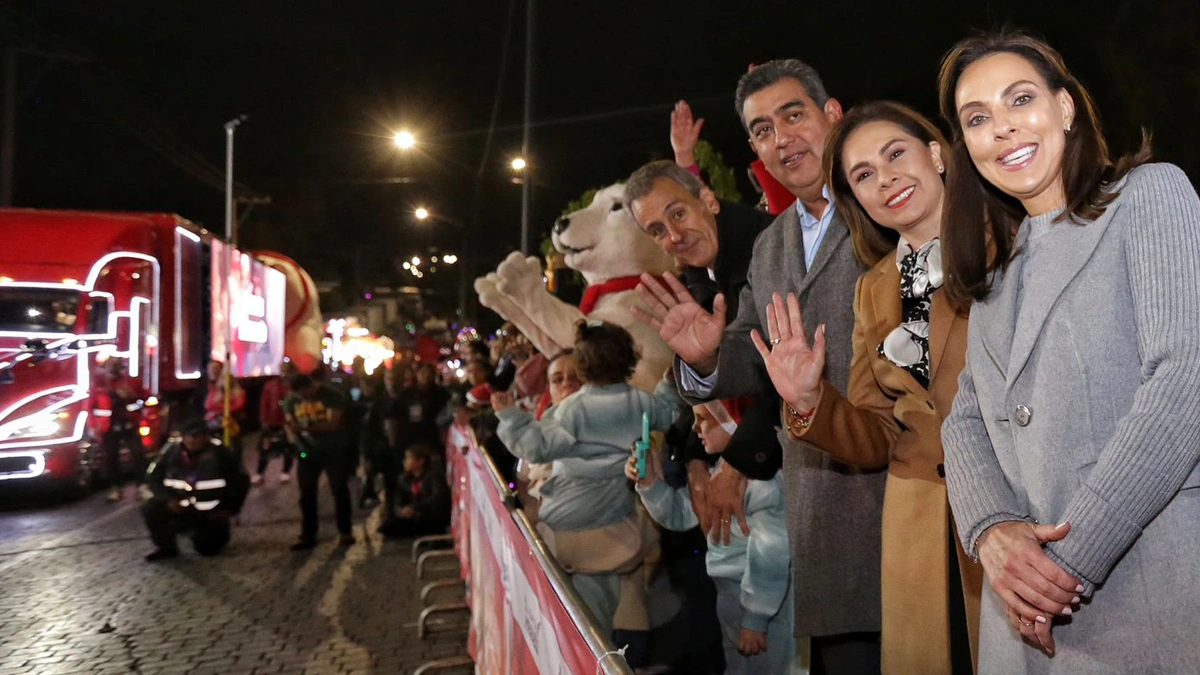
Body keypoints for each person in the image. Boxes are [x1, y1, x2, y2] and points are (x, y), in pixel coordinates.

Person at [937, 31, 1200, 672]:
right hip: (1024, 613)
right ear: (966, 148)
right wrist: (991, 531)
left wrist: (1065, 562)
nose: (1001, 128)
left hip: (1143, 588)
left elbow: (1184, 379)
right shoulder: (999, 272)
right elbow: (964, 419)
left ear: (1065, 108)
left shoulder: (1150, 196)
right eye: (978, 119)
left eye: (1019, 99)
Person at [635, 58, 885, 674]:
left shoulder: (888, 208)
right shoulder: (775, 242)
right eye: (763, 130)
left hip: (903, 502)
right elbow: (753, 347)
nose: (781, 138)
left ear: (833, 115)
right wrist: (706, 357)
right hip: (818, 514)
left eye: (793, 115)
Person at [753, 101, 985, 673]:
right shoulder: (876, 289)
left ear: (936, 154)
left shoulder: (1008, 244)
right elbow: (878, 431)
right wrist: (809, 401)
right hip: (918, 533)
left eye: (895, 154)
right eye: (862, 176)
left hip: (1012, 523)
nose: (885, 180)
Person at [492, 320, 683, 638]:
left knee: (570, 615)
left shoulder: (572, 410)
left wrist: (510, 418)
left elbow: (537, 447)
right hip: (614, 511)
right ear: (630, 360)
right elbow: (666, 411)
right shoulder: (640, 402)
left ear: (582, 367)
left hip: (569, 511)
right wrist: (668, 380)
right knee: (600, 610)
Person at [625, 159, 781, 544]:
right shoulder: (697, 276)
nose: (674, 235)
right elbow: (708, 386)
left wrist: (735, 464)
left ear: (708, 199)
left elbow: (788, 375)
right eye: (657, 230)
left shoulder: (771, 248)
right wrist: (695, 459)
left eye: (677, 213)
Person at [629, 402, 792, 675]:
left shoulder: (763, 485)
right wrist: (650, 485)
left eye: (705, 419)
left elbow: (771, 552)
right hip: (729, 596)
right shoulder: (716, 475)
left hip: (766, 607)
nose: (695, 429)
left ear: (735, 425)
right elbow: (681, 515)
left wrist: (756, 619)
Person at [142, 418, 250, 561]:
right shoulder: (171, 452)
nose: (199, 440)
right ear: (183, 437)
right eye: (194, 436)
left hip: (210, 512)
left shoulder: (219, 452)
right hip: (180, 505)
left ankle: (212, 533)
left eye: (203, 435)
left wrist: (229, 508)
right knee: (151, 508)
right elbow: (153, 478)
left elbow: (241, 480)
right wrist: (169, 499)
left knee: (207, 549)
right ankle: (166, 547)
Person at [282, 373, 355, 550]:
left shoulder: (332, 396)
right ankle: (308, 534)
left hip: (333, 450)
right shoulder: (291, 401)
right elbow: (290, 423)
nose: (301, 398)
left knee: (339, 489)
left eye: (302, 394)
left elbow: (333, 423)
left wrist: (304, 427)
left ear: (309, 386)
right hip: (307, 452)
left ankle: (345, 531)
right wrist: (294, 435)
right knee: (307, 494)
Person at [384, 444, 450, 538]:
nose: (405, 462)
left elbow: (438, 497)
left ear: (420, 461)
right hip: (413, 515)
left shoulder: (434, 475)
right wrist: (401, 510)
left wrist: (415, 508)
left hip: (430, 515)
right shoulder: (405, 479)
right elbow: (399, 498)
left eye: (408, 458)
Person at [391, 362, 451, 453]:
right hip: (411, 436)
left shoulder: (440, 394)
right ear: (417, 374)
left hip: (433, 436)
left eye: (429, 373)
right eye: (423, 373)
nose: (426, 376)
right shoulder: (407, 394)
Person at [358, 376, 397, 512]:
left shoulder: (380, 402)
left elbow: (388, 426)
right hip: (375, 447)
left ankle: (387, 510)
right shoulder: (370, 402)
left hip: (380, 449)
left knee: (386, 481)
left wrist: (392, 445)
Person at [254, 360, 295, 485]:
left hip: (287, 423)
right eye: (282, 368)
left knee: (289, 448)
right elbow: (264, 403)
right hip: (272, 421)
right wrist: (264, 419)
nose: (284, 371)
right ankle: (259, 473)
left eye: (286, 368)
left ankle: (285, 472)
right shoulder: (270, 385)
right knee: (266, 448)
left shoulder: (293, 385)